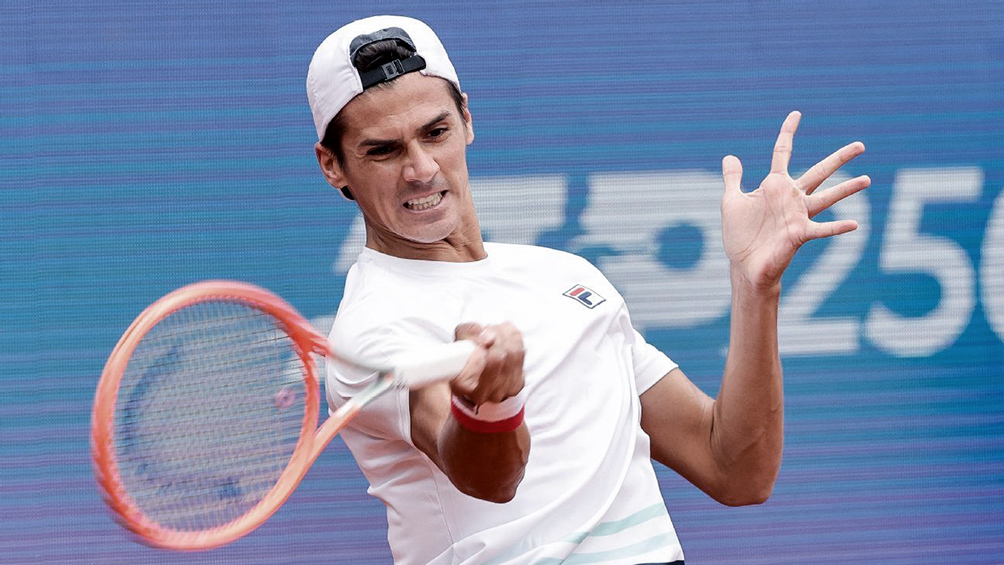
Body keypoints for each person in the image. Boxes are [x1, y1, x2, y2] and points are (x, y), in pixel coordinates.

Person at [306, 15, 869, 565]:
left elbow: (736, 470)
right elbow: (489, 480)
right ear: (333, 166)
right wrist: (492, 404)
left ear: (467, 120)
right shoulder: (372, 328)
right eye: (384, 150)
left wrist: (755, 286)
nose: (421, 169)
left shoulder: (565, 276)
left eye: (436, 133)